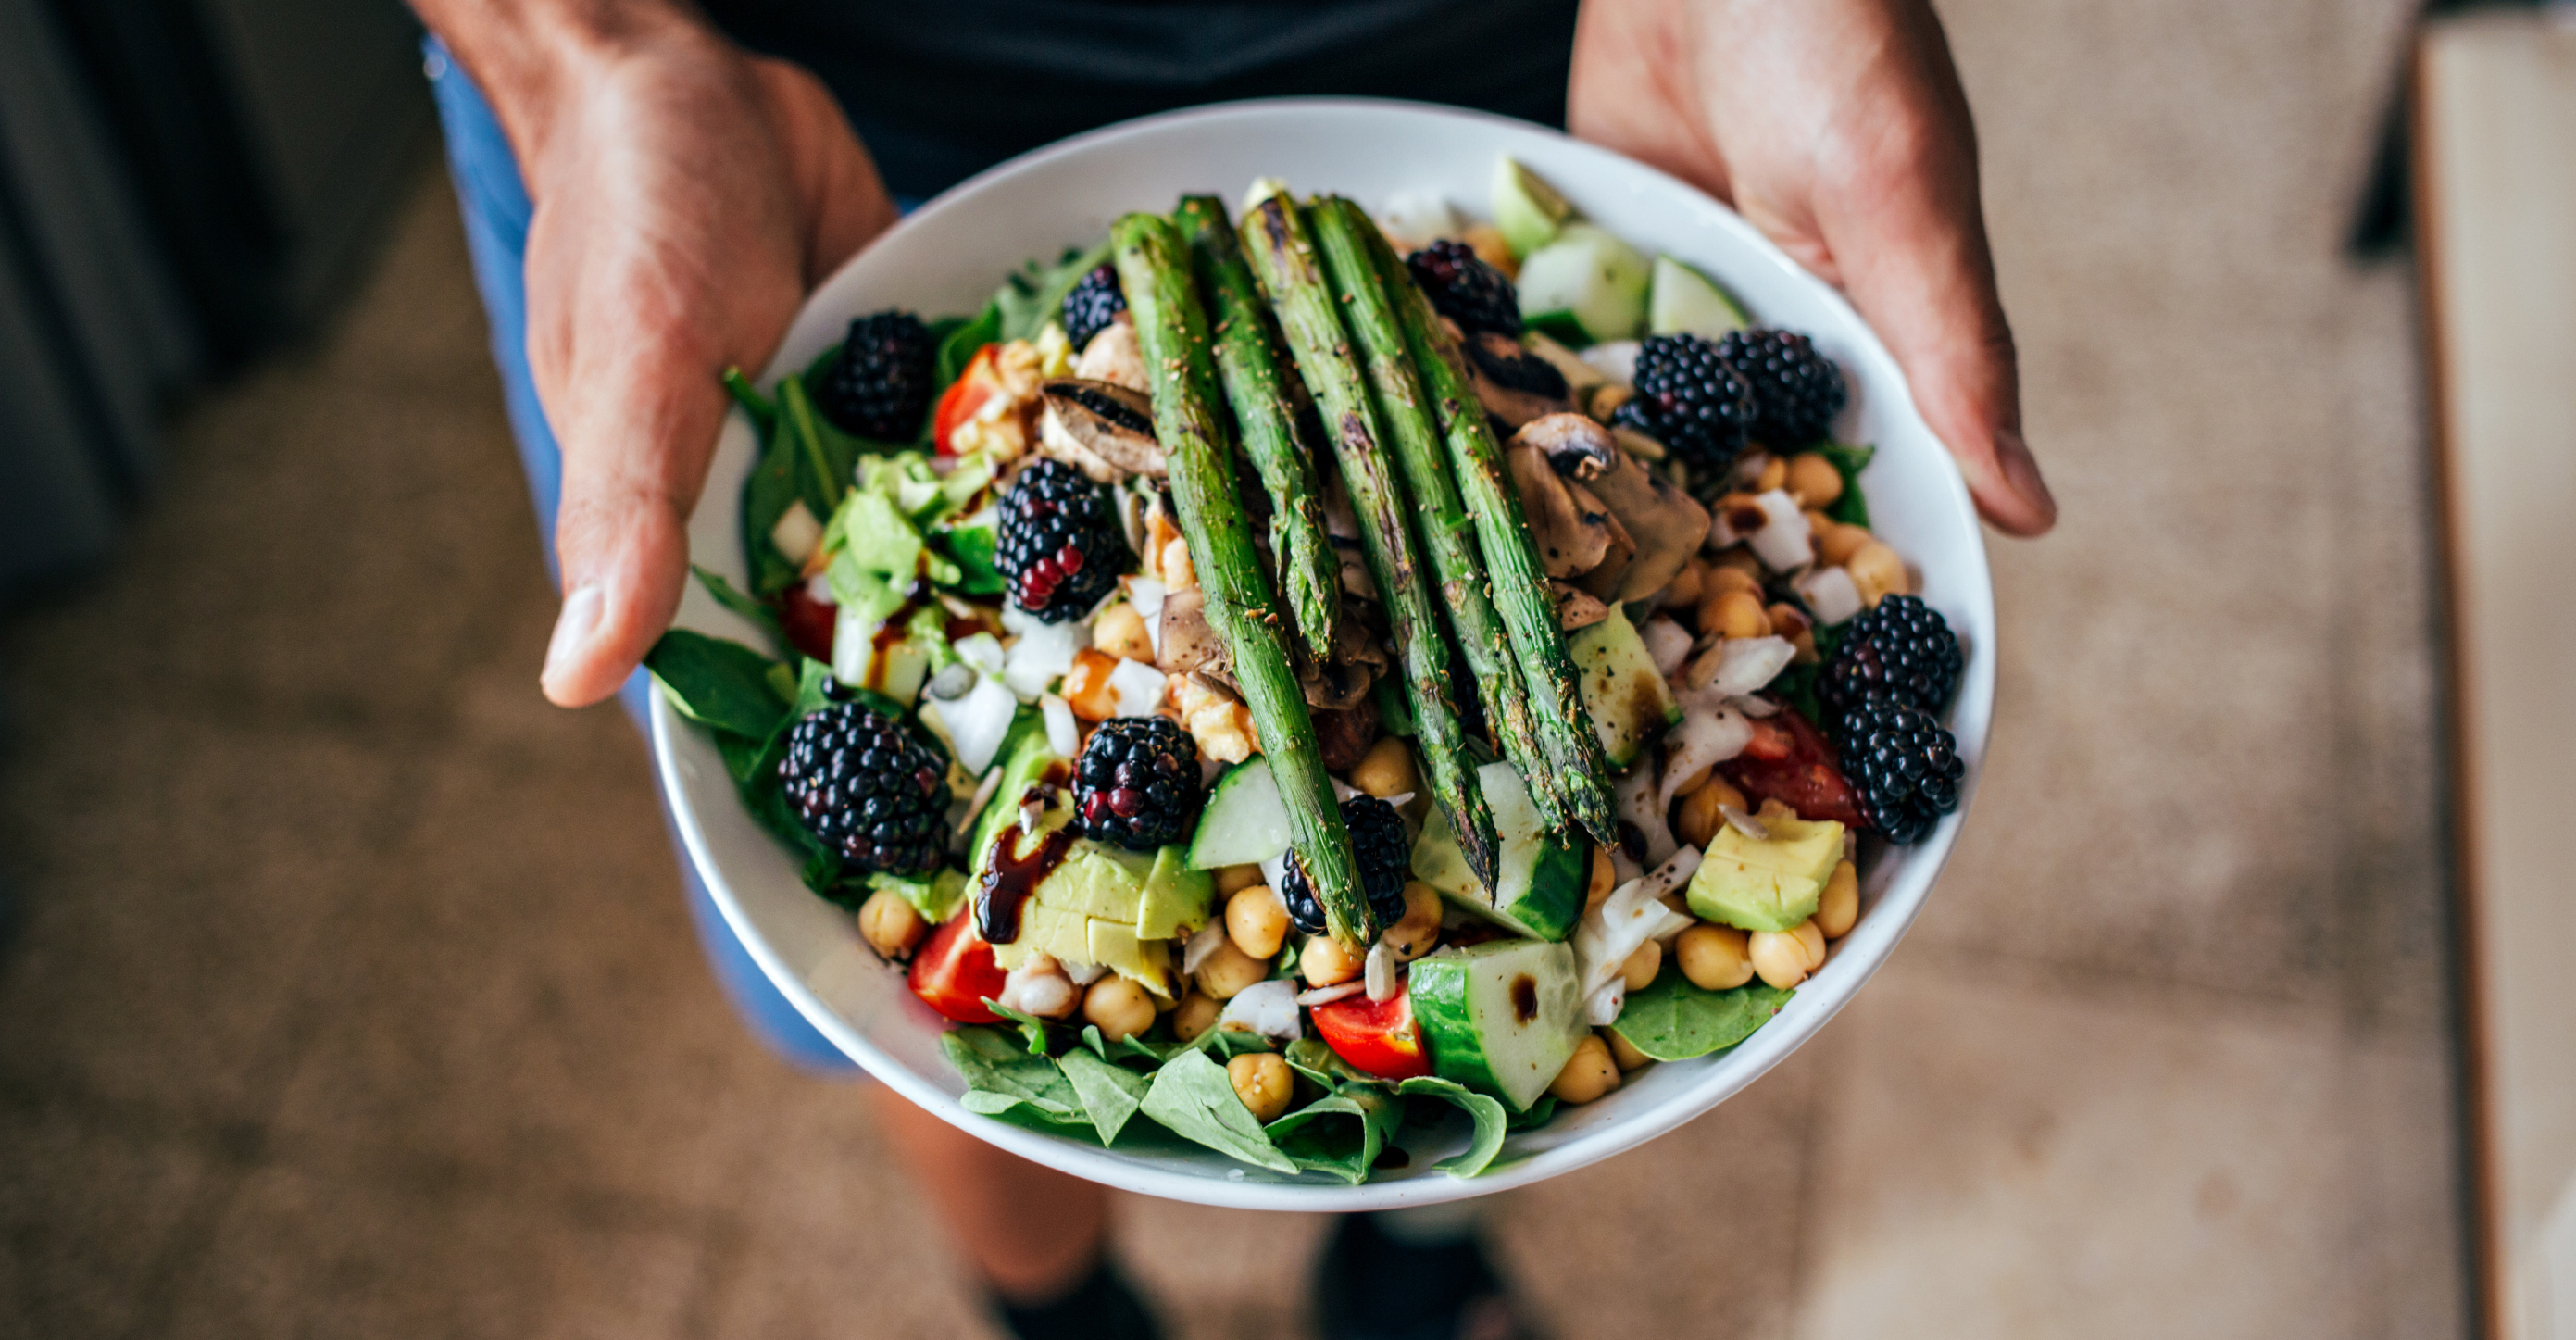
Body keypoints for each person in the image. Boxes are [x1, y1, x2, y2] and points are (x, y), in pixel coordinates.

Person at [411, 3, 2057, 1337]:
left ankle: (1408, 1272)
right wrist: (580, 54)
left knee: (1512, 1012)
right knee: (876, 1016)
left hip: (1506, 56)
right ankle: (1059, 1314)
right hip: (801, 119)